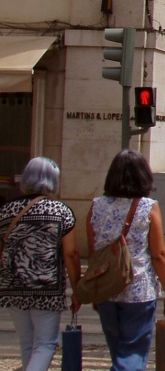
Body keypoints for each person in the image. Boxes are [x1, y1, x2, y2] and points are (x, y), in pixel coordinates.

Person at [88, 150, 165, 371]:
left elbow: (94, 252)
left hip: (106, 289)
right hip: (139, 290)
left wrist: (94, 290)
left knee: (118, 351)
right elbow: (159, 255)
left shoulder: (96, 205)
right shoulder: (148, 207)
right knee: (132, 355)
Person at [1, 157, 81, 371]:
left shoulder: (6, 211)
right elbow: (71, 254)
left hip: (13, 287)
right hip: (46, 288)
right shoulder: (60, 212)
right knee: (46, 343)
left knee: (27, 342)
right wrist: (78, 289)